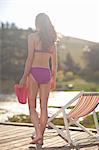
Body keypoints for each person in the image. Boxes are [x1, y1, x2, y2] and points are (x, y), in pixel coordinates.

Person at [19, 13, 57, 146]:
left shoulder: (32, 37)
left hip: (34, 72)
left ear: (37, 23)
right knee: (44, 107)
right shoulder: (52, 40)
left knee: (32, 106)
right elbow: (55, 63)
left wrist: (24, 76)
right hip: (46, 73)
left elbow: (29, 58)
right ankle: (40, 135)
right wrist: (54, 78)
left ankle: (38, 133)